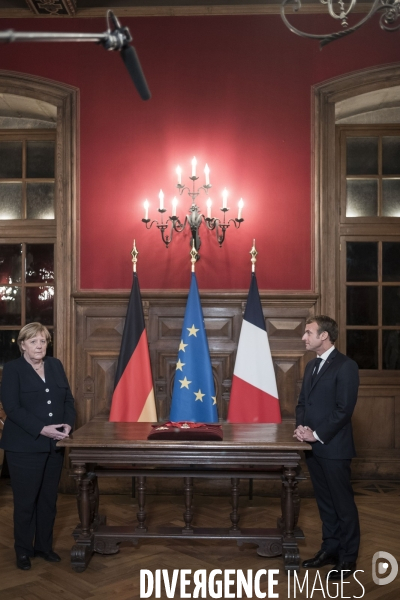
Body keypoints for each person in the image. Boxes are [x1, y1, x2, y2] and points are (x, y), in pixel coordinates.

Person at [0, 322, 75, 571]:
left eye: (43, 341)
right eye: (33, 341)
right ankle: (23, 550)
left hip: (54, 446)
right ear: (22, 345)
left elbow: (67, 400)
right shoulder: (13, 369)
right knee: (25, 501)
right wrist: (42, 429)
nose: (39, 345)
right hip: (24, 447)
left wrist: (67, 425)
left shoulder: (55, 365)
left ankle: (44, 547)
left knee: (48, 500)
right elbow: (12, 408)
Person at [294, 315, 360, 581]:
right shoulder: (311, 366)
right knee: (325, 504)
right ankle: (329, 549)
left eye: (308, 332)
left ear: (324, 336)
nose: (303, 337)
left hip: (334, 448)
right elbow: (302, 404)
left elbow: (344, 410)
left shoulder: (346, 366)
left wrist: (317, 434)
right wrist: (300, 429)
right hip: (312, 449)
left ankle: (347, 559)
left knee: (343, 506)